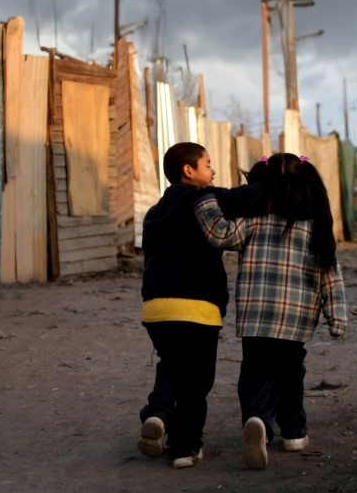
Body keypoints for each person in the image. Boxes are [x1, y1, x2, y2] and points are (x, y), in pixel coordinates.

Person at [191, 152, 348, 470]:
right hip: (297, 319)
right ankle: (294, 432)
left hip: (256, 315)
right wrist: (337, 316)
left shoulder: (253, 221)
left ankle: (257, 421)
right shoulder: (315, 227)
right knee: (291, 372)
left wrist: (203, 200)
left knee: (256, 372)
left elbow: (219, 234)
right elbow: (329, 274)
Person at [136, 141, 227, 469]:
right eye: (208, 164)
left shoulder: (153, 212)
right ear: (189, 171)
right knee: (196, 379)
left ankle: (159, 411)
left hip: (156, 308)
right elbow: (222, 235)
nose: (213, 171)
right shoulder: (204, 201)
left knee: (172, 363)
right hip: (197, 308)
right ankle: (185, 448)